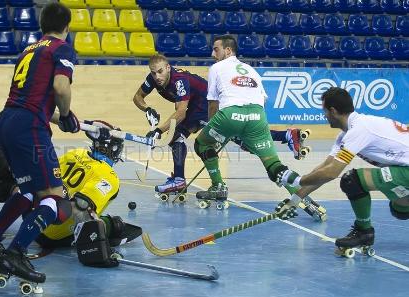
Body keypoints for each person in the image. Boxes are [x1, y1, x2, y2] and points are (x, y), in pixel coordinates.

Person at [0, 3, 81, 285]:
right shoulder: (62, 48)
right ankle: (16, 253)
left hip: (7, 120)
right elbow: (60, 87)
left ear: (42, 25)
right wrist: (68, 114)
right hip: (29, 127)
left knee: (27, 189)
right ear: (66, 27)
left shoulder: (29, 50)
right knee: (54, 197)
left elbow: (34, 97)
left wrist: (61, 119)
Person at [0, 121, 141, 265]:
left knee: (26, 182)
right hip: (53, 232)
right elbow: (80, 208)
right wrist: (100, 250)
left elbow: (46, 177)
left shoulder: (76, 153)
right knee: (106, 219)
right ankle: (112, 226)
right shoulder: (110, 177)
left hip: (31, 216)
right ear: (116, 151)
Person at [133, 54, 308, 199]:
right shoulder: (153, 79)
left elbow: (181, 113)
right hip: (195, 106)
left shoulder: (179, 80)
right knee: (236, 137)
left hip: (204, 105)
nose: (157, 77)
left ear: (168, 68)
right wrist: (146, 109)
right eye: (154, 73)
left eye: (160, 72)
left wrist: (157, 130)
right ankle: (287, 135)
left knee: (235, 138)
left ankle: (179, 180)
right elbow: (137, 97)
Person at [276, 87, 409, 250]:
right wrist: (293, 201)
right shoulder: (347, 134)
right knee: (400, 211)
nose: (324, 116)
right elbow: (325, 169)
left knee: (352, 180)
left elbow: (332, 173)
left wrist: (295, 179)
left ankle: (364, 232)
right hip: (404, 170)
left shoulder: (359, 129)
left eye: (324, 111)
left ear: (333, 111)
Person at [193, 34, 298, 205]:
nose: (213, 54)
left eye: (216, 49)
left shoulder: (217, 68)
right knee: (273, 164)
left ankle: (218, 186)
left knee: (202, 144)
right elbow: (263, 100)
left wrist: (214, 131)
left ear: (228, 50)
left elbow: (213, 103)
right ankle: (301, 193)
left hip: (229, 115)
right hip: (258, 117)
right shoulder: (251, 70)